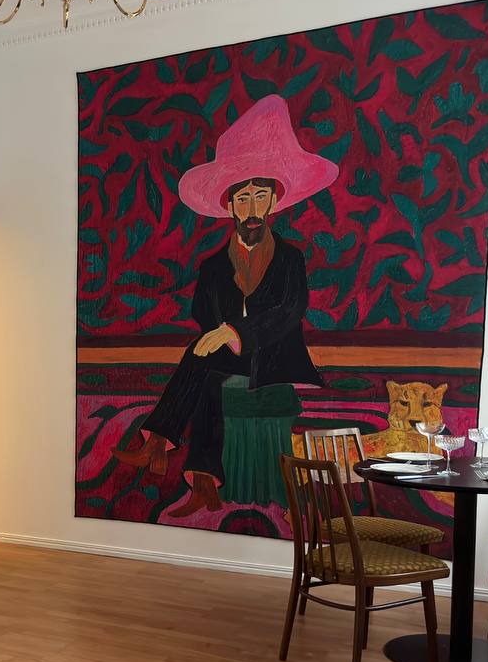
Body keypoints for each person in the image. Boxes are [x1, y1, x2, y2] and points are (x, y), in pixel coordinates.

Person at [112, 95, 338, 517]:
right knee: (209, 373)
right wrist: (222, 332)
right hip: (229, 358)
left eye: (260, 196)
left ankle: (159, 441)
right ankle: (202, 482)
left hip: (275, 357)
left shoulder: (291, 258)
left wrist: (233, 331)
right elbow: (202, 314)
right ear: (229, 206)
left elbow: (290, 311)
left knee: (203, 359)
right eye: (243, 199)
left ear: (274, 201)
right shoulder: (213, 265)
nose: (252, 209)